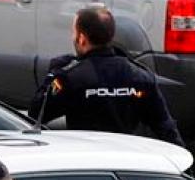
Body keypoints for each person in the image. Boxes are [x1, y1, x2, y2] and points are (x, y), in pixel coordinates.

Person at [29, 7, 184, 146]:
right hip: (129, 162)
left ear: (82, 38)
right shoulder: (140, 76)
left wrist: (53, 74)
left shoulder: (71, 77)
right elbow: (165, 127)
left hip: (88, 162)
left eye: (74, 32)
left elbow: (36, 114)